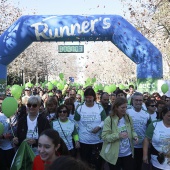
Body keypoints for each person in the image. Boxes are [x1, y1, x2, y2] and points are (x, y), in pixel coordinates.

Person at [100, 97, 138, 170]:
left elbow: (132, 130)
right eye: (122, 107)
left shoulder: (128, 118)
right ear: (116, 107)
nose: (125, 109)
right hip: (114, 155)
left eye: (126, 107)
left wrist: (135, 136)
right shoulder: (109, 119)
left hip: (128, 153)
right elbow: (104, 137)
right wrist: (118, 135)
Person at [74, 87, 106, 170]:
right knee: (85, 164)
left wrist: (99, 127)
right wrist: (77, 139)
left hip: (97, 141)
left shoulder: (99, 107)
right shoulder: (80, 107)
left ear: (94, 97)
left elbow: (105, 120)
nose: (88, 99)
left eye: (90, 97)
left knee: (98, 164)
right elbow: (76, 123)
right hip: (84, 141)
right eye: (86, 97)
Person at [127, 92, 151, 170]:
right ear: (132, 100)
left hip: (141, 146)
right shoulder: (127, 111)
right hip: (129, 146)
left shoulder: (147, 114)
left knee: (138, 166)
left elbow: (149, 129)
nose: (138, 102)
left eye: (140, 100)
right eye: (136, 100)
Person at [0, 101, 16, 170]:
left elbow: (16, 131)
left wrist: (12, 135)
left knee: (11, 166)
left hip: (10, 147)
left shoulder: (13, 116)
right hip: (1, 148)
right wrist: (2, 137)